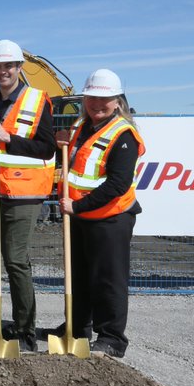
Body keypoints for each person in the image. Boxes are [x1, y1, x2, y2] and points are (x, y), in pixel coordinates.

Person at [0, 39, 57, 352]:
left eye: (9, 66)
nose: (3, 71)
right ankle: (16, 324)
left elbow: (46, 147)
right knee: (7, 259)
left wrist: (9, 139)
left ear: (19, 68)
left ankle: (25, 332)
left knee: (16, 260)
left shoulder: (36, 99)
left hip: (24, 193)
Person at [54, 69, 144, 357]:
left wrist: (77, 206)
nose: (96, 103)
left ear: (117, 101)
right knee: (79, 276)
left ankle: (112, 338)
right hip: (82, 217)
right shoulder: (83, 126)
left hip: (111, 217)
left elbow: (117, 184)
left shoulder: (123, 134)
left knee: (109, 279)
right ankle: (77, 327)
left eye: (104, 98)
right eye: (91, 97)